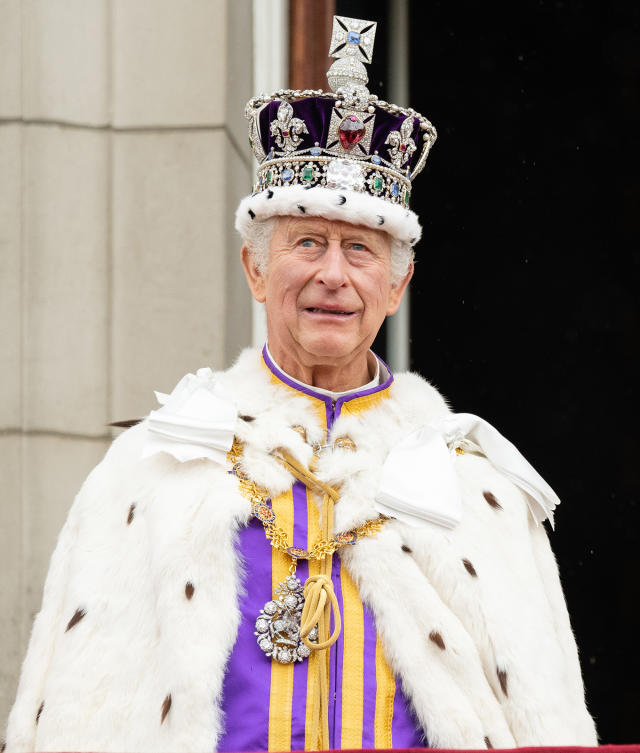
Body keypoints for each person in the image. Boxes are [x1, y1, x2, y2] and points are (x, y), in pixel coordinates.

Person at [4, 15, 596, 752]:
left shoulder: (480, 492)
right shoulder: (152, 472)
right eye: (306, 242)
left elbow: (544, 721)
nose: (332, 275)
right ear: (255, 269)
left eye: (359, 249)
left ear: (398, 283)